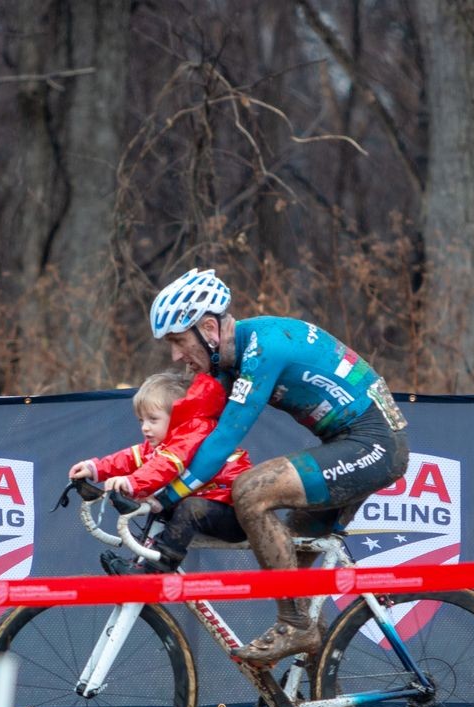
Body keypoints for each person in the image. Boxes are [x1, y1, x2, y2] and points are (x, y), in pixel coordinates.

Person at [147, 268, 410, 667]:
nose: (176, 355)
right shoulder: (226, 361)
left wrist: (170, 494)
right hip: (347, 443)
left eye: (179, 341)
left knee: (252, 491)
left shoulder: (264, 348)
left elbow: (223, 439)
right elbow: (194, 432)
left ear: (208, 327)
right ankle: (319, 701)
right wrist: (133, 477)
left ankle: (294, 626)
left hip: (373, 444)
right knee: (292, 556)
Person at [68, 370, 252, 573]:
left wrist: (132, 483)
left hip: (235, 512)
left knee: (188, 507)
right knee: (159, 503)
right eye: (141, 421)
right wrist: (95, 468)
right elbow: (132, 456)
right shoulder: (164, 441)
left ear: (177, 418)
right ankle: (140, 563)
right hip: (209, 506)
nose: (145, 428)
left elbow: (167, 464)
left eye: (152, 420)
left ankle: (154, 569)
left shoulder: (194, 431)